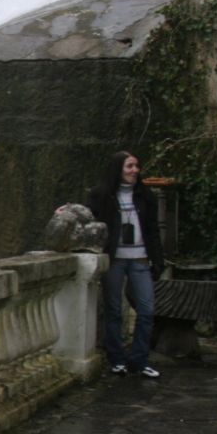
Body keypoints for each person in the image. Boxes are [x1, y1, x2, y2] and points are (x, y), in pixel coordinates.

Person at [87, 151, 165, 379]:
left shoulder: (145, 195)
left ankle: (140, 361)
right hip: (115, 260)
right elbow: (86, 215)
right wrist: (66, 210)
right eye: (129, 166)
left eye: (136, 166)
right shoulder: (102, 195)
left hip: (140, 259)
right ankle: (117, 360)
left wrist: (157, 260)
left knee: (147, 310)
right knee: (113, 310)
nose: (135, 170)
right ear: (118, 169)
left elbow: (152, 230)